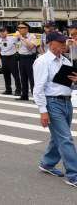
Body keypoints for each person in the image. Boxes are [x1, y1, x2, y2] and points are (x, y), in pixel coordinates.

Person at [32, 31, 77, 187]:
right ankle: (74, 175)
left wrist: (75, 81)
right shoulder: (42, 62)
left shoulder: (65, 61)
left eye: (65, 43)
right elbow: (38, 89)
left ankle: (47, 163)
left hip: (66, 102)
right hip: (52, 103)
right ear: (51, 44)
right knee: (65, 139)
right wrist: (43, 111)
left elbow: (69, 84)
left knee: (57, 137)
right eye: (61, 43)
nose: (64, 46)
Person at [0, 27, 20, 96]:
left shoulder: (12, 38)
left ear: (6, 32)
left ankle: (18, 90)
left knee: (15, 75)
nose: (2, 33)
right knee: (6, 75)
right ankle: (8, 89)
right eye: (0, 32)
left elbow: (19, 39)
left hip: (12, 57)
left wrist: (18, 33)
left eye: (3, 31)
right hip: (4, 58)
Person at [16, 22, 38, 101]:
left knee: (32, 78)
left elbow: (31, 47)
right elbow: (17, 47)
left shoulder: (32, 36)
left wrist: (22, 38)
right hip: (21, 58)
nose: (19, 29)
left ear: (26, 29)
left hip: (30, 58)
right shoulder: (18, 37)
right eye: (18, 28)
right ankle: (24, 95)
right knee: (23, 77)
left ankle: (35, 96)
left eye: (21, 28)